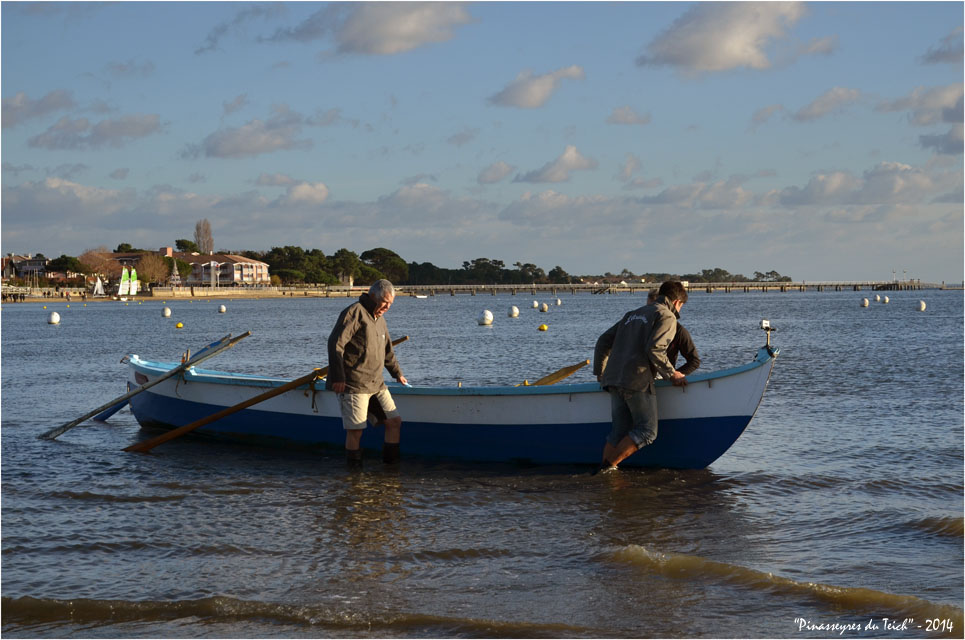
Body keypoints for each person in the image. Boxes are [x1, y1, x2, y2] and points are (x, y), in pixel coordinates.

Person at [592, 280, 690, 473]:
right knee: (647, 431)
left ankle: (603, 474)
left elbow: (603, 341)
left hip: (613, 379)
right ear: (677, 302)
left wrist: (600, 372)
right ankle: (606, 469)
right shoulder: (667, 316)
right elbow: (655, 349)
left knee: (618, 433)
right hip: (636, 380)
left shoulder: (632, 314)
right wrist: (672, 374)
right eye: (681, 307)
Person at [327, 279, 408, 467]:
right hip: (354, 384)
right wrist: (338, 377)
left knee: (394, 422)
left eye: (390, 304)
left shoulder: (380, 319)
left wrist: (397, 373)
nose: (387, 307)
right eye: (385, 302)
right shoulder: (354, 312)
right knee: (356, 430)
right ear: (372, 296)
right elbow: (335, 344)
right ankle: (354, 475)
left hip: (376, 384)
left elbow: (387, 350)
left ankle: (390, 471)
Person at [646, 289, 700, 378]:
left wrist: (675, 375)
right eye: (648, 308)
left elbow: (694, 361)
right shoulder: (639, 325)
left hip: (663, 377)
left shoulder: (679, 331)